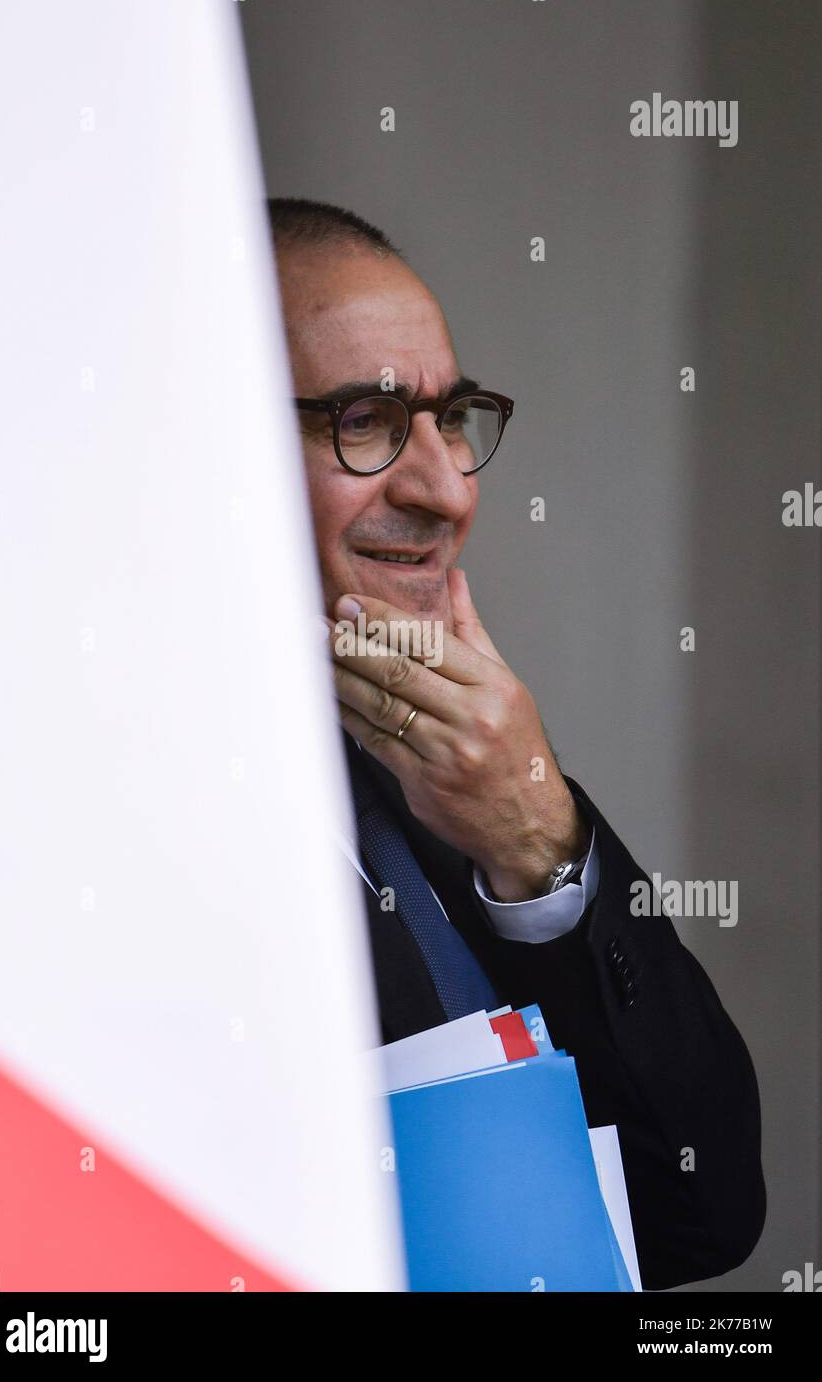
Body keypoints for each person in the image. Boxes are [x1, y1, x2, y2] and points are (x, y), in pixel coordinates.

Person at [268, 196, 765, 1291]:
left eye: (452, 417)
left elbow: (702, 1213)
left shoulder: (444, 765)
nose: (447, 488)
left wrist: (536, 845)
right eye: (365, 418)